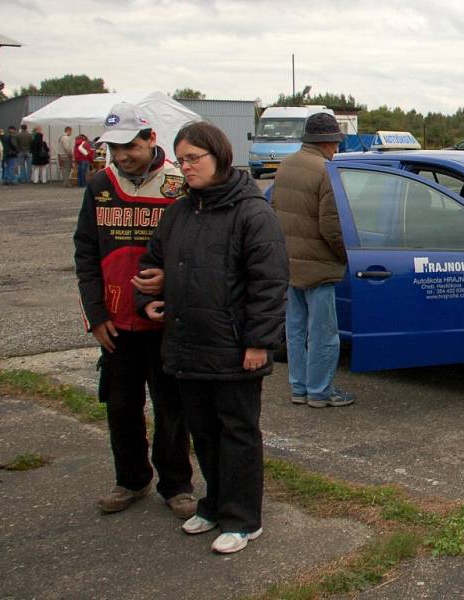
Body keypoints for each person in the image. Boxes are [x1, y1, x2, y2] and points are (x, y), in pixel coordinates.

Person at [136, 121, 288, 554]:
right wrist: (145, 299)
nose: (186, 168)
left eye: (194, 159)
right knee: (202, 431)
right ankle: (214, 503)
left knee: (237, 433)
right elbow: (152, 263)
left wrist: (260, 342)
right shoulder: (179, 213)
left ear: (219, 157)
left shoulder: (252, 212)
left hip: (235, 348)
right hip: (187, 345)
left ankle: (243, 519)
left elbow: (269, 282)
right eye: (181, 160)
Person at [73, 102, 195, 519]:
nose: (122, 155)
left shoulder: (180, 186)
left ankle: (176, 484)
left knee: (171, 409)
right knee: (121, 406)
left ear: (150, 140)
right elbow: (85, 253)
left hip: (166, 321)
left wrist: (170, 283)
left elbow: (198, 253)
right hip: (115, 322)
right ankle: (130, 480)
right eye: (114, 147)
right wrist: (95, 315)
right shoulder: (98, 184)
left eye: (130, 146)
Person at [272, 112, 354, 408]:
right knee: (323, 334)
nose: (336, 148)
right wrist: (346, 257)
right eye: (335, 143)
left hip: (290, 263)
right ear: (328, 142)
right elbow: (331, 227)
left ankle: (299, 388)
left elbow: (274, 210)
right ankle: (320, 391)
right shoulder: (325, 171)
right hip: (319, 267)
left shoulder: (285, 167)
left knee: (295, 330)